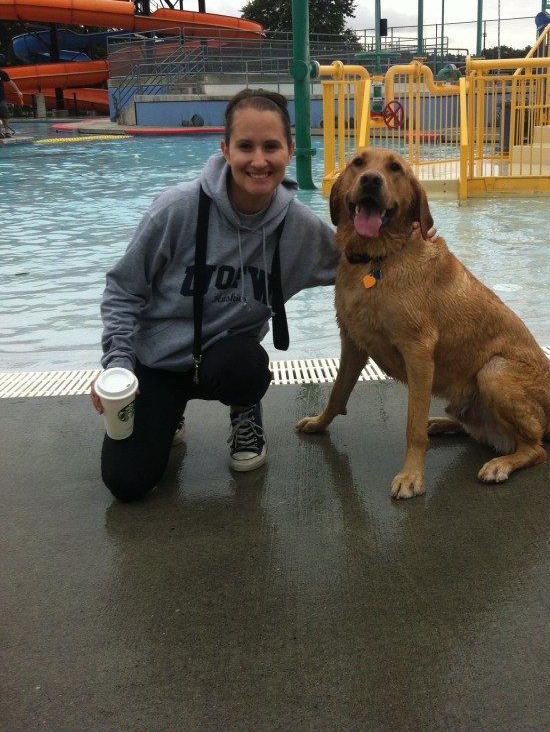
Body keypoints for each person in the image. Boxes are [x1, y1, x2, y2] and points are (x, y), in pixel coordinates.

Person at [92, 88, 434, 502]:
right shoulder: (176, 209)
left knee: (248, 366)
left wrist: (415, 241)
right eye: (245, 147)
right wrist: (117, 364)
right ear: (225, 150)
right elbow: (123, 289)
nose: (258, 160)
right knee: (127, 481)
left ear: (289, 151)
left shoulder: (299, 227)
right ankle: (168, 413)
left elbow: (361, 263)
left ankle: (244, 410)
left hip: (229, 363)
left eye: (271, 147)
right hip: (158, 363)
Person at [0, 54, 23, 138]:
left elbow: (10, 82)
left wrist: (18, 91)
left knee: (5, 114)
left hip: (1, 98)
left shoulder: (2, 73)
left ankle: (7, 131)